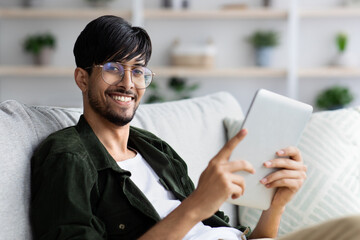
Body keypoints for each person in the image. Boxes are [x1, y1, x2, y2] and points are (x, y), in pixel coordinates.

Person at [29, 15, 313, 240]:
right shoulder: (67, 156)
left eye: (138, 71)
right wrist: (196, 206)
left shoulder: (156, 149)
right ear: (82, 78)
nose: (128, 84)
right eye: (113, 68)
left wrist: (276, 204)